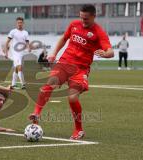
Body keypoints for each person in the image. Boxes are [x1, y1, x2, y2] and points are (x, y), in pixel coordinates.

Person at [28, 4, 114, 140]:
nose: (83, 21)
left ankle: (79, 130)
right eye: (81, 18)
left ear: (93, 16)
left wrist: (105, 54)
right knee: (49, 84)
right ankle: (36, 113)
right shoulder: (74, 24)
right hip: (64, 62)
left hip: (80, 69)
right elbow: (63, 38)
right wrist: (53, 54)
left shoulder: (99, 32)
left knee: (72, 97)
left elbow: (111, 52)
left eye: (86, 19)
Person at [4, 17, 30, 89]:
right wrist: (6, 52)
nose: (19, 24)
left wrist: (28, 48)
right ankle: (23, 84)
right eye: (18, 23)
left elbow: (27, 42)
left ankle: (13, 84)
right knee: (20, 67)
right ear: (16, 23)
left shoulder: (25, 32)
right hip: (15, 53)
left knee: (16, 68)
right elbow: (7, 42)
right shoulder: (13, 32)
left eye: (21, 22)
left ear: (23, 23)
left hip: (22, 53)